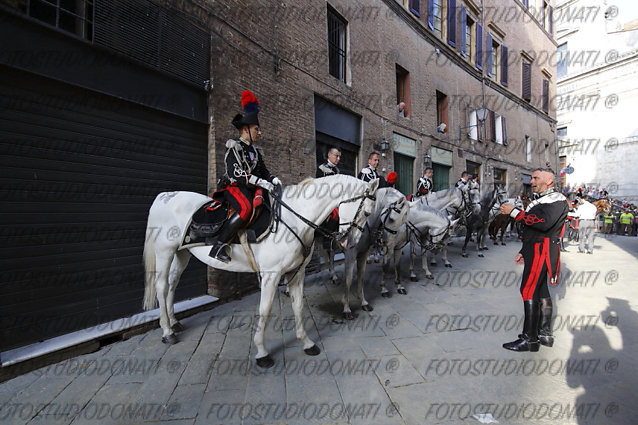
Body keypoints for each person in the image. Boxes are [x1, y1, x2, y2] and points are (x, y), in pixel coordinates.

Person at [499, 168, 568, 352]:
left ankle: (529, 340)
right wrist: (524, 250)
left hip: (541, 250)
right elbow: (532, 230)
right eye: (532, 178)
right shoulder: (543, 200)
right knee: (541, 289)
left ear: (550, 181)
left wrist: (515, 213)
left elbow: (543, 223)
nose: (532, 181)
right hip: (534, 248)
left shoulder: (556, 200)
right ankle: (544, 335)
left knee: (528, 289)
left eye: (536, 178)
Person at [210, 90, 281, 262]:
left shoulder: (255, 151)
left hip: (251, 188)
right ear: (245, 129)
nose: (259, 132)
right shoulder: (233, 146)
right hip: (234, 187)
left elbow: (263, 170)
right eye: (256, 129)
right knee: (246, 208)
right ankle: (218, 246)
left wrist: (273, 179)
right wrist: (261, 182)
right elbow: (235, 172)